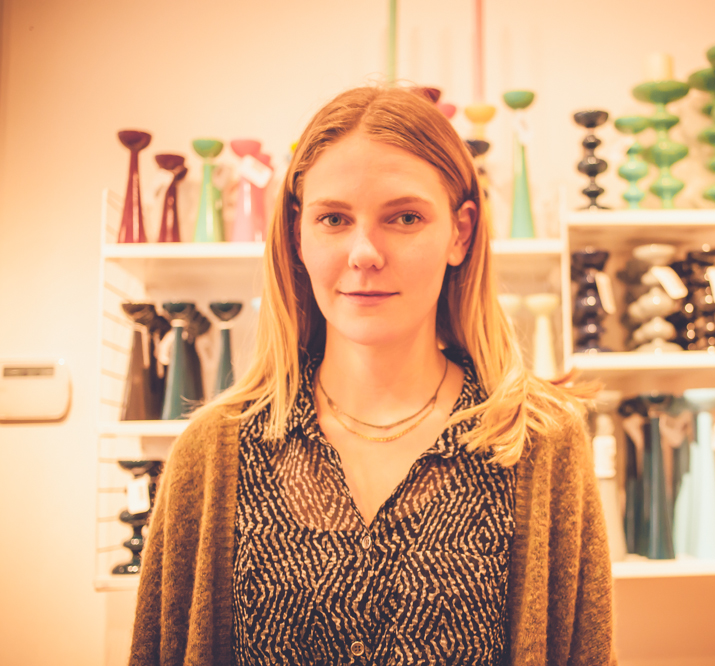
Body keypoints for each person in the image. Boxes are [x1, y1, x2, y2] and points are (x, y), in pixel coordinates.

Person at [129, 85, 615, 666]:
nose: (364, 253)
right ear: (297, 233)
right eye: (333, 218)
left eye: (405, 217)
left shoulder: (542, 444)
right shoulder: (212, 453)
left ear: (460, 233)